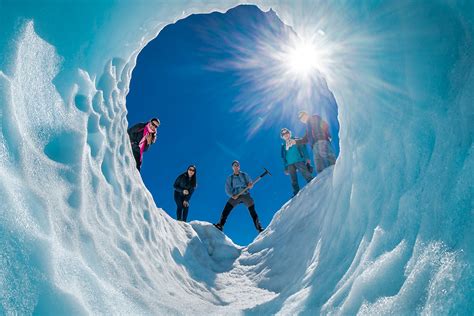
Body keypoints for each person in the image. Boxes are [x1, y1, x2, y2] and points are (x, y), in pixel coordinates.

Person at [214, 160, 264, 233]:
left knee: (252, 210)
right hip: (235, 196)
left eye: (237, 165)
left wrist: (250, 185)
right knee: (226, 208)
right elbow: (227, 189)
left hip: (245, 195)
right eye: (235, 165)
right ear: (232, 167)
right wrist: (232, 195)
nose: (236, 166)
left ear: (239, 166)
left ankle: (259, 228)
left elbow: (250, 183)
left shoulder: (244, 175)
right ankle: (220, 225)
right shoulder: (230, 178)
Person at [280, 128, 314, 196]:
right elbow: (284, 158)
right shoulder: (283, 146)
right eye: (283, 134)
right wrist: (285, 167)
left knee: (305, 172)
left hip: (299, 160)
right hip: (290, 164)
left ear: (289, 133)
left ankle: (312, 182)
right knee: (293, 179)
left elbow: (303, 148)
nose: (285, 135)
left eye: (286, 133)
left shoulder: (296, 139)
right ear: (282, 137)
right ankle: (296, 192)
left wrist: (307, 158)